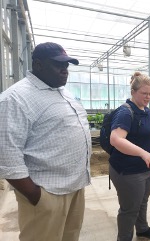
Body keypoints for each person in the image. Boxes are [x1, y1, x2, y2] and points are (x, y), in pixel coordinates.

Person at [0, 42, 91, 241]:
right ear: (38, 65)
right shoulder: (15, 98)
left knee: (70, 237)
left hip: (74, 188)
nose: (65, 70)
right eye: (58, 65)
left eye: (67, 66)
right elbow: (7, 156)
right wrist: (37, 197)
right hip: (47, 193)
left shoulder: (61, 92)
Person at [109, 72, 150, 241]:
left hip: (146, 167)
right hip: (129, 171)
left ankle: (142, 228)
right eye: (144, 93)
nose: (148, 97)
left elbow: (142, 134)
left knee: (142, 201)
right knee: (129, 209)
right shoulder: (125, 112)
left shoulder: (146, 110)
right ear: (133, 91)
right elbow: (116, 139)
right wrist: (143, 153)